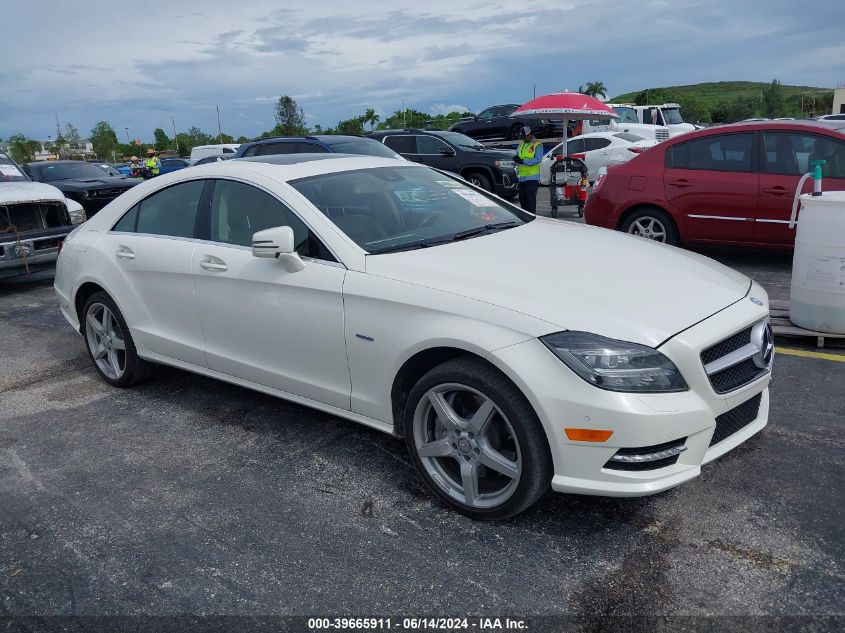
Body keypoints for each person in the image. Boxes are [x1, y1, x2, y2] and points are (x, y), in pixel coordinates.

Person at [513, 126, 544, 213]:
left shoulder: (537, 145)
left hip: (532, 178)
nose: (523, 138)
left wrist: (524, 161)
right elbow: (517, 154)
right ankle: (526, 220)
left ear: (529, 134)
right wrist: (516, 159)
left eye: (524, 136)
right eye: (522, 137)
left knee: (530, 202)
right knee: (523, 201)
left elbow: (538, 159)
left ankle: (532, 220)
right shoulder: (521, 144)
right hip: (522, 178)